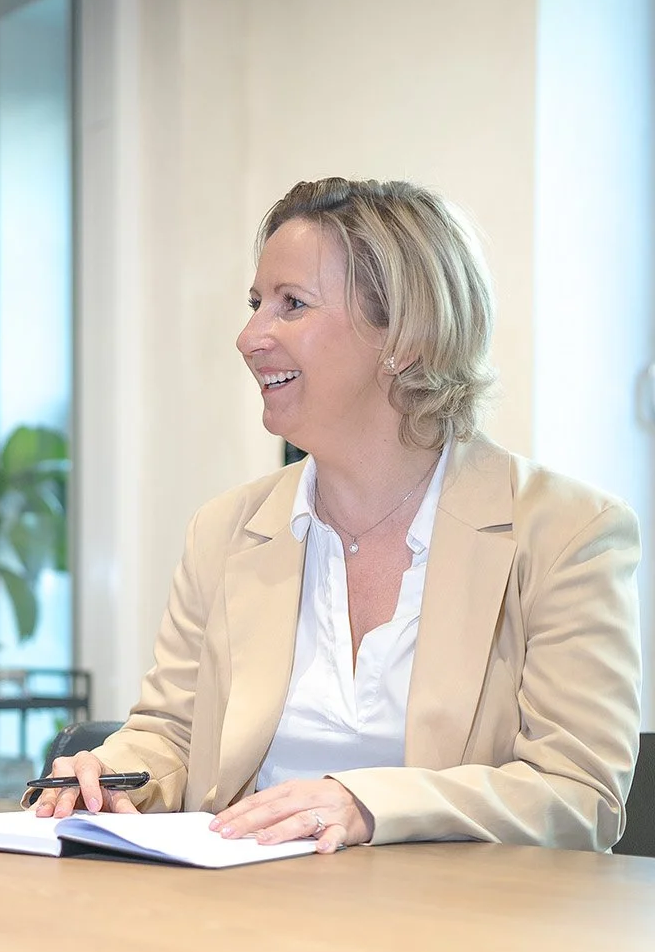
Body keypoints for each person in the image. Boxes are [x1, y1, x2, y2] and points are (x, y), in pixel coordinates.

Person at [33, 177, 640, 852]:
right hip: (237, 904)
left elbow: (579, 795)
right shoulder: (224, 530)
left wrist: (366, 804)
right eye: (256, 304)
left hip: (453, 915)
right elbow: (173, 732)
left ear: (405, 337)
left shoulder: (567, 532)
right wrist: (110, 774)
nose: (249, 336)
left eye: (291, 304)